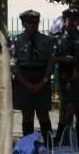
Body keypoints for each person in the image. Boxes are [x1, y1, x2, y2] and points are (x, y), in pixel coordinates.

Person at [11, 10, 55, 143]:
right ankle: (28, 145)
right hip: (23, 79)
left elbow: (51, 63)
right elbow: (13, 65)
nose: (32, 26)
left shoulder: (46, 41)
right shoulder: (16, 41)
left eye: (35, 23)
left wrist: (43, 82)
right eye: (29, 23)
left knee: (43, 113)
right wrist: (26, 84)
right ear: (23, 24)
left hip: (42, 78)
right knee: (27, 114)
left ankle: (48, 145)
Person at [53, 7, 79, 147]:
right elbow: (50, 58)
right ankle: (57, 139)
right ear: (64, 20)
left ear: (78, 21)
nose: (71, 22)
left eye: (74, 20)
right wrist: (62, 59)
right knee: (70, 110)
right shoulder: (57, 38)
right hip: (65, 78)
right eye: (68, 20)